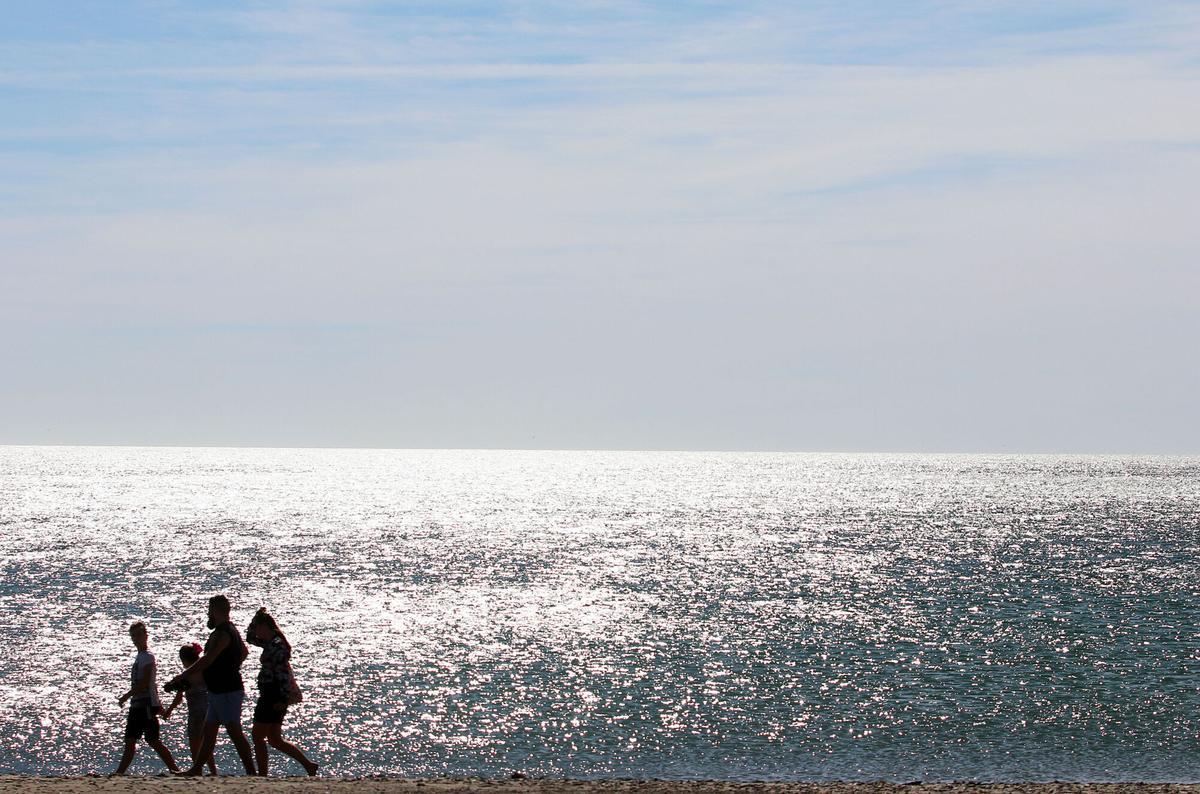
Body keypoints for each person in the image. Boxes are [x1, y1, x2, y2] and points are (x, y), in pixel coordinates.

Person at [165, 595, 256, 776]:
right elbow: (243, 652)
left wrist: (184, 674)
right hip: (217, 690)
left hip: (228, 689)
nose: (208, 613)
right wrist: (229, 665)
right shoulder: (230, 630)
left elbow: (208, 659)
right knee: (210, 729)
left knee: (234, 730)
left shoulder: (223, 633)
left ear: (216, 611)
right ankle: (197, 768)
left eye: (209, 609)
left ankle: (252, 773)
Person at [246, 608, 318, 776]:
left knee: (258, 736)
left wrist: (282, 698)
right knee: (274, 739)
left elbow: (283, 675)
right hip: (271, 693)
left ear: (265, 626)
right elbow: (250, 638)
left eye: (258, 627)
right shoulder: (269, 641)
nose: (256, 631)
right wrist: (255, 619)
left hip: (273, 694)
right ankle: (308, 765)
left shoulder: (277, 645)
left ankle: (262, 774)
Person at [114, 622, 179, 775]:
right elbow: (149, 684)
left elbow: (145, 683)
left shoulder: (148, 657)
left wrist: (126, 695)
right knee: (130, 739)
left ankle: (174, 769)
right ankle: (120, 772)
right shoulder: (140, 657)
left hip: (146, 704)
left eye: (139, 635)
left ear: (145, 635)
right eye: (133, 636)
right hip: (137, 704)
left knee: (153, 739)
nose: (136, 638)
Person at [162, 643, 218, 776]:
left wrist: (169, 710)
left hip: (195, 713)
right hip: (208, 710)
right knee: (206, 744)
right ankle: (213, 771)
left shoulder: (186, 676)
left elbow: (178, 697)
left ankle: (196, 770)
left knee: (195, 743)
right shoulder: (204, 671)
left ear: (184, 660)